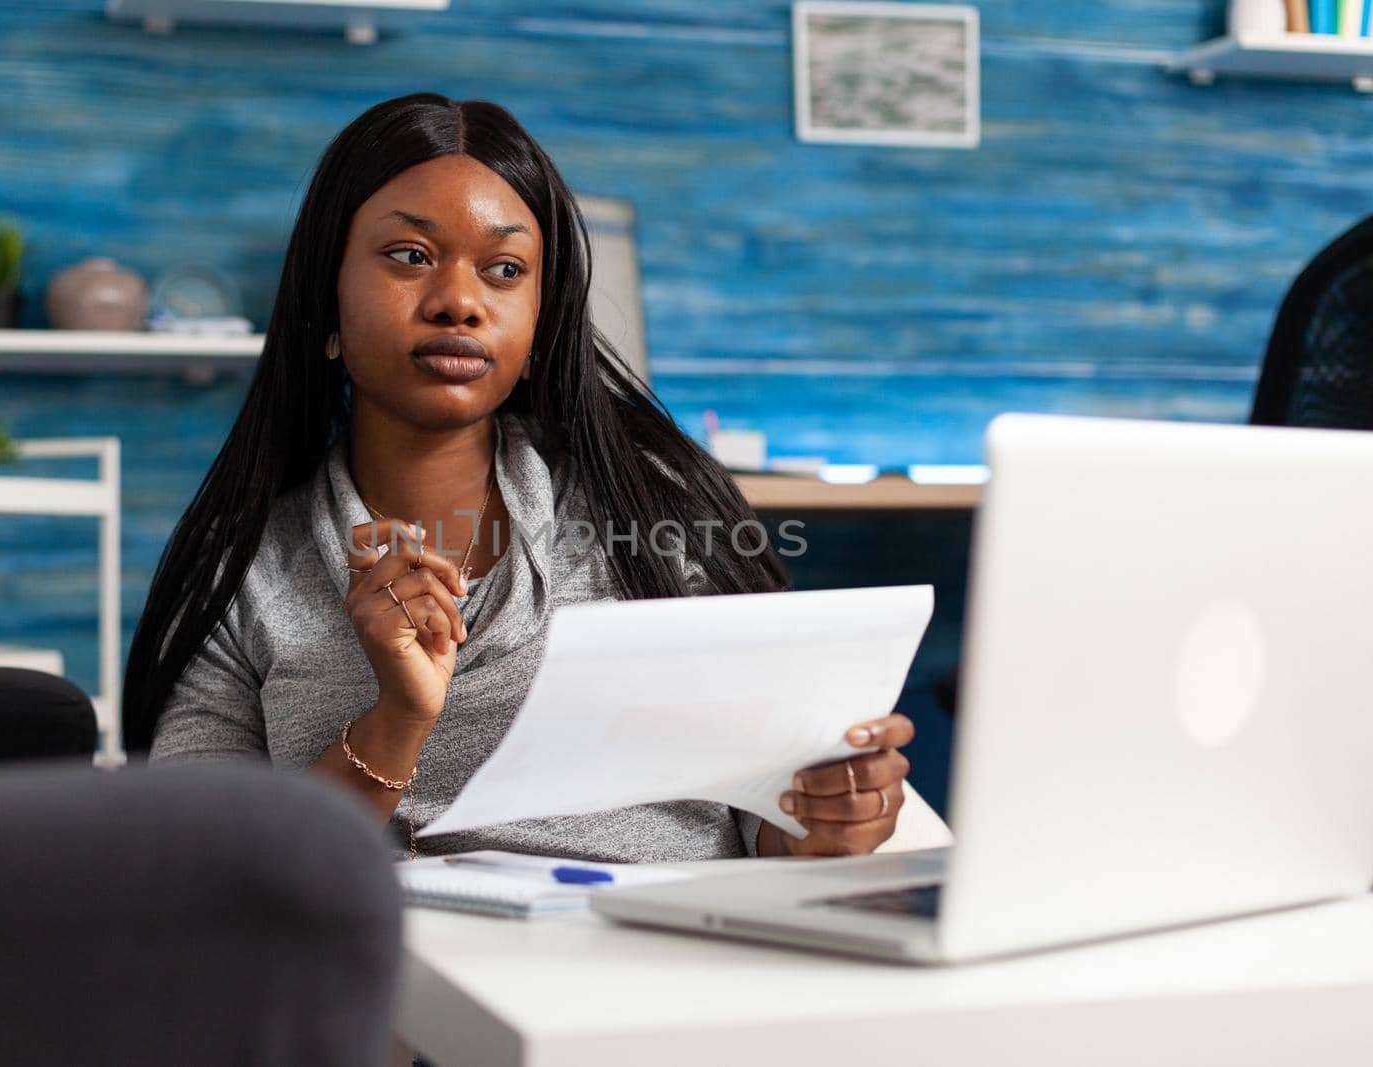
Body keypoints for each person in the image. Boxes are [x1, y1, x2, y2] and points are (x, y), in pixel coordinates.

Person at [123, 93, 917, 862]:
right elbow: (207, 867)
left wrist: (818, 823)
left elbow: (761, 819)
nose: (459, 301)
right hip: (414, 982)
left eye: (504, 270)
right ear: (326, 300)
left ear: (540, 326)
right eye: (410, 256)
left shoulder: (653, 512)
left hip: (671, 967)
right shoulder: (245, 573)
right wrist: (397, 719)